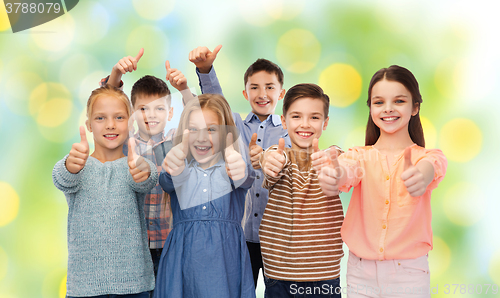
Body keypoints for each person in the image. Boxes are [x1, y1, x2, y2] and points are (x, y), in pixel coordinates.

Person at [316, 65, 447, 298]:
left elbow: (432, 167)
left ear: (415, 107)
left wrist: (421, 175)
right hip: (359, 273)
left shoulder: (427, 157)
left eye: (399, 101)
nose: (388, 109)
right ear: (371, 108)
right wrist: (334, 175)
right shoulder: (358, 156)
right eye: (378, 102)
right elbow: (347, 171)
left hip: (409, 274)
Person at [189, 45, 290, 287]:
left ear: (281, 93)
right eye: (254, 87)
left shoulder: (290, 131)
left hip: (277, 237)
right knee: (237, 289)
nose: (262, 93)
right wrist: (205, 70)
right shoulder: (235, 126)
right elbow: (216, 101)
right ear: (245, 94)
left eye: (269, 87)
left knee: (278, 291)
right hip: (241, 235)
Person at [52, 84, 157, 297]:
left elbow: (147, 179)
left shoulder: (135, 165)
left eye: (119, 118)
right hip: (85, 287)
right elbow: (61, 178)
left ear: (130, 124)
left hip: (134, 286)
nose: (110, 125)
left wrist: (144, 170)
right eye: (100, 118)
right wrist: (69, 166)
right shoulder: (78, 166)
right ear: (89, 125)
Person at [102, 48, 194, 283]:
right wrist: (115, 75)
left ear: (171, 112)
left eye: (159, 108)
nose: (150, 115)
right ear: (132, 112)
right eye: (143, 108)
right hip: (133, 246)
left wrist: (183, 88)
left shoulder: (176, 140)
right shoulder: (124, 142)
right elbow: (106, 106)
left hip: (170, 243)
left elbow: (200, 118)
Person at [154, 94, 256, 298]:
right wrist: (174, 168)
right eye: (193, 129)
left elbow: (246, 178)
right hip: (182, 268)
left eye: (211, 129)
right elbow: (168, 181)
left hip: (224, 268)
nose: (201, 137)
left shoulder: (233, 168)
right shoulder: (180, 169)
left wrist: (240, 168)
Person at [258, 84, 343, 298]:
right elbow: (271, 163)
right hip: (280, 273)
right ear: (284, 121)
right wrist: (269, 160)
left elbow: (342, 165)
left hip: (324, 274)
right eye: (296, 116)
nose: (305, 124)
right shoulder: (278, 155)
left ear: (325, 123)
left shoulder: (332, 158)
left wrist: (336, 161)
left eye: (314, 117)